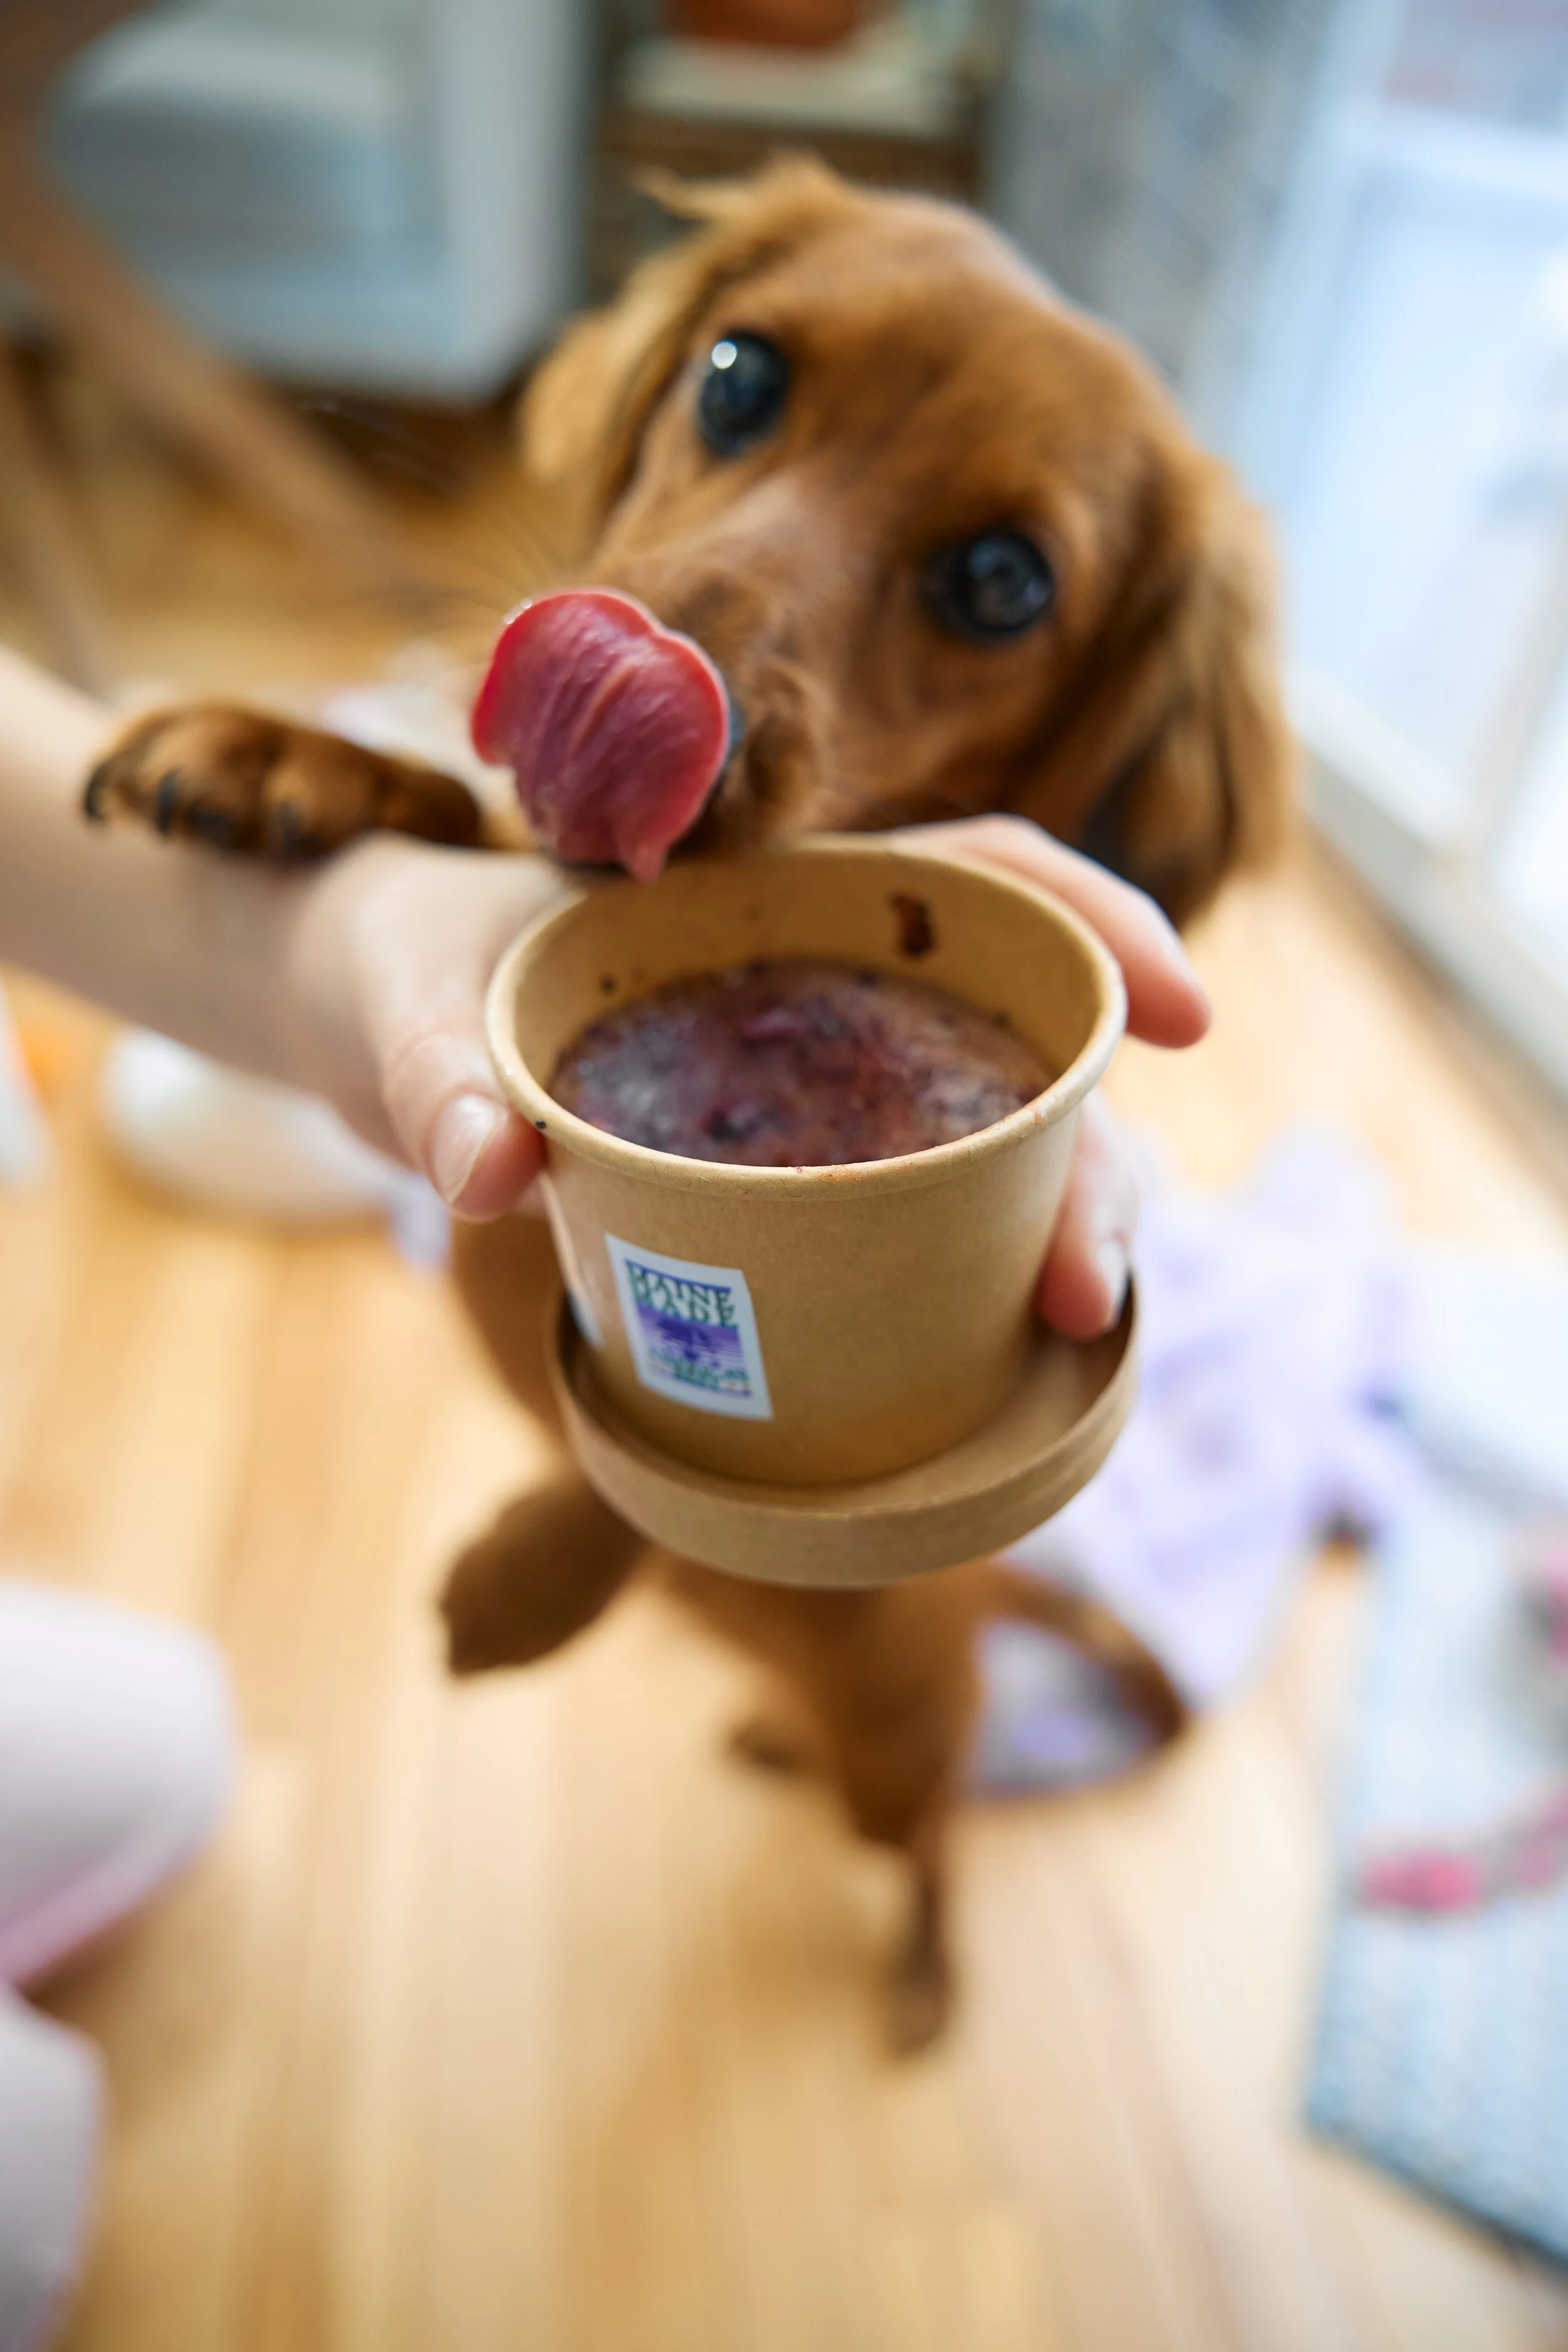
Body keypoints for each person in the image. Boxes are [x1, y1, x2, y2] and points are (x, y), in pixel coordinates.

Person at [0, 642, 1209, 2348]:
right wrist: (381, 910)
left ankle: (924, 1871)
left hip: (888, 1572)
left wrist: (338, 934)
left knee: (876, 1763)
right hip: (660, 1368)